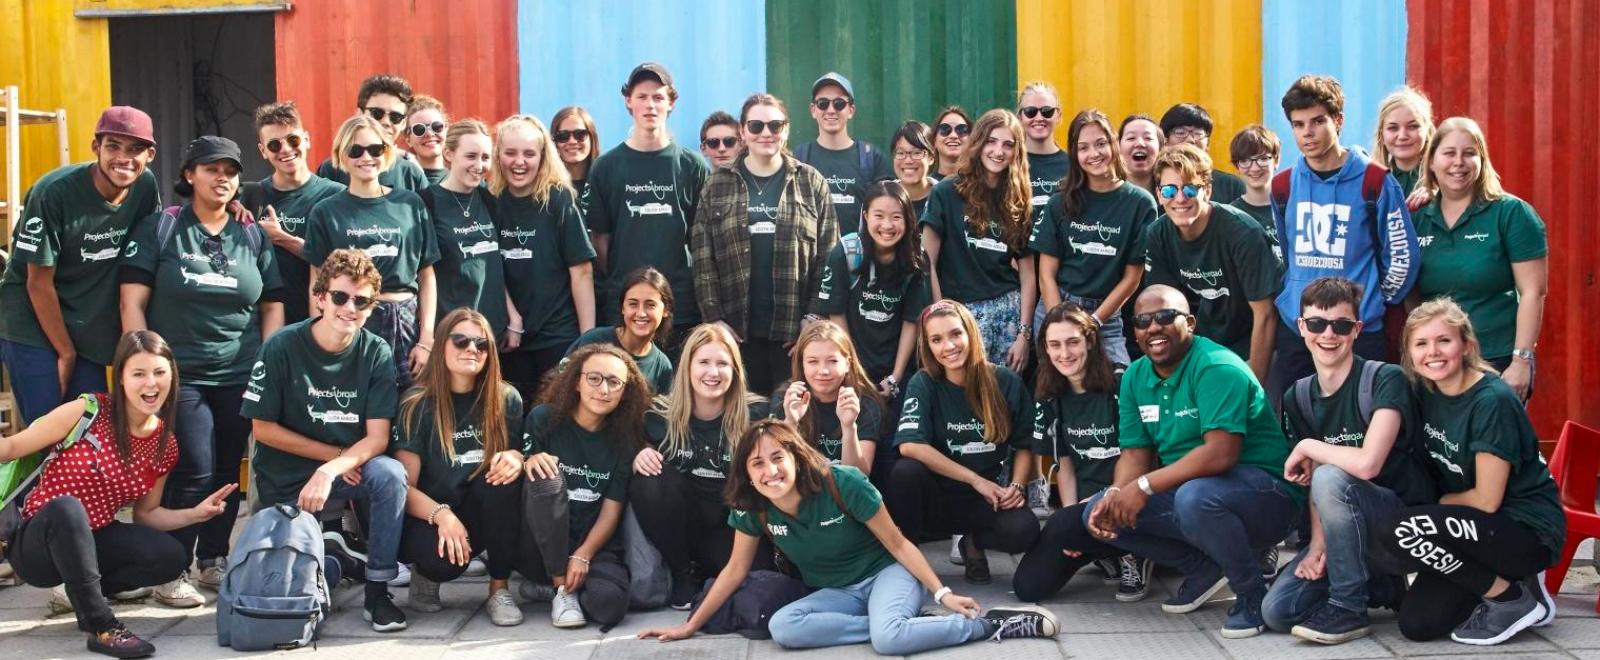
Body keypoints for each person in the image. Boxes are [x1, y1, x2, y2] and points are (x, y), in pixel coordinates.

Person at [637, 420, 1060, 652]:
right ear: (746, 473)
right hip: (838, 592)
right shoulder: (754, 507)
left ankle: (988, 627)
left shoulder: (841, 483)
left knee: (890, 641)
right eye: (757, 464)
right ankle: (893, 623)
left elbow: (898, 543)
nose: (770, 472)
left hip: (886, 575)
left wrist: (942, 594)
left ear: (796, 457)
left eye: (777, 458)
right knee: (785, 628)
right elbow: (733, 570)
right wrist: (690, 627)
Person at [1083, 285, 1302, 638]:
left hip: (1268, 496)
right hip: (1198, 494)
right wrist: (1115, 490)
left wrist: (1144, 486)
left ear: (1190, 322)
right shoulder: (1136, 377)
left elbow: (1221, 453)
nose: (1153, 327)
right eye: (1142, 321)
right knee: (1099, 510)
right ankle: (1203, 568)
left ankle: (1251, 595)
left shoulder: (1216, 366)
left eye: (1165, 317)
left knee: (1195, 498)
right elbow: (1135, 454)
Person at [1, 331, 236, 658]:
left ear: (172, 376)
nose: (150, 383)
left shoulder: (164, 444)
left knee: (171, 557)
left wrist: (196, 514)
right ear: (121, 378)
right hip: (37, 544)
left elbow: (147, 514)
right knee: (68, 509)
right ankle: (102, 626)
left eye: (159, 372)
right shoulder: (88, 411)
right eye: (138, 373)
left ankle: (83, 591)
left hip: (93, 539)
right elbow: (12, 446)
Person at [118, 135, 284, 599]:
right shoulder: (162, 228)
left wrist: (266, 359)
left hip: (240, 370)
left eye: (230, 171)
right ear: (189, 175)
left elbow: (272, 303)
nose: (222, 178)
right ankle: (170, 568)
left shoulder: (249, 233)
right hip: (179, 372)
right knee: (193, 464)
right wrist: (143, 364)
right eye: (211, 169)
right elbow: (132, 300)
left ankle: (213, 557)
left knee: (231, 466)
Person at [1373, 298, 1562, 645]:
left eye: (1444, 340)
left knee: (1396, 529)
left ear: (1466, 345)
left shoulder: (1492, 400)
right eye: (1421, 343)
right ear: (1410, 354)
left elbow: (1487, 500)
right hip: (1472, 528)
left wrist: (1434, 505)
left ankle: (1510, 598)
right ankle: (1517, 586)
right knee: (1418, 624)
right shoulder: (1425, 391)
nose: (1434, 352)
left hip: (1522, 528)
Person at [240, 248, 409, 632]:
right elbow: (262, 430)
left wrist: (333, 468)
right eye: (340, 296)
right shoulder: (281, 346)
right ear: (320, 297)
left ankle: (378, 591)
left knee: (390, 474)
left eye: (362, 301)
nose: (350, 307)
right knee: (286, 593)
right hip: (288, 478)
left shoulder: (375, 351)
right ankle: (335, 558)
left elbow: (378, 437)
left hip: (344, 471)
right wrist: (330, 461)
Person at [1261, 277, 1436, 644]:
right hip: (1345, 535)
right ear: (1301, 327)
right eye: (1317, 324)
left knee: (1333, 477)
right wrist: (1319, 546)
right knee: (1278, 611)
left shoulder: (1385, 378)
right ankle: (1380, 587)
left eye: (1341, 325)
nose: (1329, 334)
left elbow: (1368, 464)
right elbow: (1314, 483)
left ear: (1357, 330)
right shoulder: (1299, 395)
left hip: (1402, 528)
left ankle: (1348, 607)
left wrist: (1310, 446)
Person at [0, 106, 160, 425]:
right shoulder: (53, 193)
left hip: (86, 322)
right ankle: (30, 477)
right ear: (96, 147)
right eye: (113, 146)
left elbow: (151, 247)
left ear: (150, 154)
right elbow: (37, 283)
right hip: (33, 318)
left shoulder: (144, 187)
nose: (124, 158)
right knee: (49, 430)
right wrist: (66, 352)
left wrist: (233, 205)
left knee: (92, 428)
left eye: (135, 149)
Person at [1269, 74, 1420, 393]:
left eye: (1317, 121)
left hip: (1357, 331)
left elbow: (1402, 257)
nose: (1307, 133)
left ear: (1338, 121)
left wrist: (1373, 300)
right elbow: (1288, 252)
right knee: (1297, 427)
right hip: (1300, 331)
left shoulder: (1375, 181)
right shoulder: (1282, 186)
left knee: (1363, 426)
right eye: (1298, 124)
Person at [693, 92, 838, 394]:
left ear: (786, 129)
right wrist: (715, 320)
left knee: (793, 421)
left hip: (794, 336)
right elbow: (703, 259)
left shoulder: (811, 182)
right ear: (743, 132)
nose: (766, 133)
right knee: (744, 421)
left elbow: (829, 255)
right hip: (736, 336)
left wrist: (812, 319)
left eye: (775, 125)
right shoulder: (717, 185)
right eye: (756, 126)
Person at [1013, 303, 1155, 603]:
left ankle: (1134, 553)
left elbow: (1145, 455)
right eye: (1055, 345)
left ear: (1090, 341)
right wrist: (1073, 520)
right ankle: (1104, 550)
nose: (1064, 353)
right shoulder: (1048, 393)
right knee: (1029, 587)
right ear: (1045, 350)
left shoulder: (1122, 382)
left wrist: (1106, 498)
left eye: (1073, 342)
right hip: (1086, 503)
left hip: (1131, 496)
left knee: (1068, 524)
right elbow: (1063, 462)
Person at [888, 300, 1037, 584]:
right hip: (936, 499)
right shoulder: (925, 382)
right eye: (937, 339)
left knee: (1024, 530)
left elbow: (1025, 443)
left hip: (985, 499)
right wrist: (974, 479)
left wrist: (1016, 486)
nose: (949, 346)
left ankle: (973, 542)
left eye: (956, 334)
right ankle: (908, 563)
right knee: (905, 472)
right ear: (928, 346)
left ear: (970, 333)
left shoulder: (1005, 381)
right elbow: (910, 445)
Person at [393, 308, 525, 625]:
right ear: (442, 345)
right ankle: (425, 576)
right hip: (428, 516)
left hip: (477, 510)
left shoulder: (506, 398)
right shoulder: (416, 404)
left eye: (481, 345)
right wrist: (442, 516)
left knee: (504, 477)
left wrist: (516, 458)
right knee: (443, 563)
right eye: (461, 340)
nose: (471, 349)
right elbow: (403, 488)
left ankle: (498, 590)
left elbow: (521, 453)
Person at [631, 323, 768, 608]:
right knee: (649, 479)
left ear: (735, 370)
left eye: (722, 363)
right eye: (704, 362)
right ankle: (683, 572)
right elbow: (629, 452)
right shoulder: (658, 415)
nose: (713, 372)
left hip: (731, 523)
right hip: (682, 523)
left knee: (757, 577)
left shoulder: (756, 414)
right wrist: (639, 453)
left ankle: (714, 573)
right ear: (687, 367)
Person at [302, 114, 441, 392]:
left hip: (405, 322)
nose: (367, 157)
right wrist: (324, 336)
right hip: (350, 318)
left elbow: (426, 275)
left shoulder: (410, 204)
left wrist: (426, 339)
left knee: (411, 411)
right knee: (357, 407)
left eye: (375, 149)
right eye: (356, 150)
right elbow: (316, 283)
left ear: (387, 152)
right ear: (342, 156)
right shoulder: (325, 212)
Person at [1413, 117, 1546, 402]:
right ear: (1432, 162)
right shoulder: (1417, 218)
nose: (1458, 162)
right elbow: (1408, 293)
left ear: (1482, 160)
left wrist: (1522, 361)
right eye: (1449, 153)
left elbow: (1533, 291)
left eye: (1469, 153)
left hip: (1496, 359)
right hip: (1436, 363)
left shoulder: (1511, 213)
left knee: (1493, 444)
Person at [521, 343, 650, 630]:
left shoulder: (625, 439)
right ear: (577, 381)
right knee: (545, 475)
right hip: (541, 545)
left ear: (625, 391)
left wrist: (583, 554)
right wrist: (529, 459)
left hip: (591, 545)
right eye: (594, 378)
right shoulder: (543, 419)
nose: (603, 389)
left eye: (614, 382)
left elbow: (611, 511)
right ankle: (561, 590)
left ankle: (562, 588)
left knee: (611, 606)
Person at [588, 62, 707, 344]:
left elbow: (700, 239)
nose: (650, 105)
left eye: (658, 97)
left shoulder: (691, 165)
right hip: (625, 307)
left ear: (671, 103)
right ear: (628, 101)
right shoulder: (605, 167)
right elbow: (600, 242)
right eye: (642, 97)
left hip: (679, 308)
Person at [1142, 144, 1281, 383]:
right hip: (1204, 348)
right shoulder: (1158, 233)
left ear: (1206, 190)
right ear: (1158, 194)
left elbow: (1266, 314)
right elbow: (1166, 312)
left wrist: (1253, 386)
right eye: (1169, 191)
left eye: (1190, 189)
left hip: (1253, 344)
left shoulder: (1242, 232)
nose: (1179, 199)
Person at [1029, 109, 1156, 368]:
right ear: (1075, 155)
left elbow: (1132, 277)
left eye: (1101, 144)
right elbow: (1046, 274)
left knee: (1115, 384)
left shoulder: (1140, 204)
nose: (1094, 154)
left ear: (1114, 144)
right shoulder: (1059, 201)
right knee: (1057, 388)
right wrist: (1059, 322)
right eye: (1083, 147)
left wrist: (1094, 322)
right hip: (1057, 304)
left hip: (1105, 313)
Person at [921, 109, 1036, 370]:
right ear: (978, 143)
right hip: (961, 314)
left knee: (1004, 399)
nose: (999, 151)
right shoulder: (946, 192)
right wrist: (940, 315)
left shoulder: (1018, 200)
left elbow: (1028, 274)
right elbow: (927, 261)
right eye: (991, 141)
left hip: (1009, 311)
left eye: (1008, 145)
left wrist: (1024, 334)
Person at [491, 114, 596, 398]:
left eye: (528, 153)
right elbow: (489, 268)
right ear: (498, 154)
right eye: (510, 153)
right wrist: (511, 318)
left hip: (558, 335)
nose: (519, 162)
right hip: (511, 339)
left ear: (542, 156)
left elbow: (581, 271)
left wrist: (586, 342)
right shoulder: (491, 201)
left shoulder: (558, 200)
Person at [813, 181, 930, 401]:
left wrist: (895, 377)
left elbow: (911, 321)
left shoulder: (916, 259)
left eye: (896, 217)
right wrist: (853, 369)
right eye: (879, 216)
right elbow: (836, 315)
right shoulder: (846, 253)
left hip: (899, 368)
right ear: (865, 216)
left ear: (908, 219)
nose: (887, 225)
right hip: (852, 367)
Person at [249, 101, 346, 327]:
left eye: (292, 140)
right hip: (269, 325)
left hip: (323, 323)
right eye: (274, 145)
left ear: (306, 140)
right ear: (263, 151)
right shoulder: (252, 195)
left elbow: (344, 264)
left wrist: (283, 239)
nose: (285, 149)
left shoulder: (335, 195)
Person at [419, 119, 517, 342]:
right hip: (451, 333)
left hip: (493, 332)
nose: (479, 165)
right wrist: (426, 334)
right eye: (471, 156)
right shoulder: (427, 201)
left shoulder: (488, 200)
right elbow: (424, 273)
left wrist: (513, 316)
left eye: (485, 157)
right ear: (448, 154)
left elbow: (496, 267)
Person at [775, 320, 886, 474]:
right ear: (802, 364)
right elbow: (775, 470)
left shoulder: (864, 403)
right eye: (813, 361)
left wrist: (848, 427)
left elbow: (859, 476)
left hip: (845, 492)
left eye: (833, 361)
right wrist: (791, 422)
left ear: (848, 364)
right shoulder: (787, 398)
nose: (823, 371)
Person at [793, 72, 893, 232]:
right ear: (813, 110)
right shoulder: (799, 158)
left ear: (851, 110)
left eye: (839, 103)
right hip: (813, 256)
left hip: (860, 255)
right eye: (823, 103)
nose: (831, 110)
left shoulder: (872, 158)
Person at [567, 266, 676, 394]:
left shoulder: (662, 366)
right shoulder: (593, 341)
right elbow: (561, 389)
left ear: (666, 310)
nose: (641, 313)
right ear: (622, 308)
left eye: (650, 305)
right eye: (633, 304)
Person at [315, 74, 430, 191]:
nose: (385, 122)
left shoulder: (411, 175)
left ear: (404, 123)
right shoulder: (332, 169)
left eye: (395, 117)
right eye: (377, 113)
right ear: (359, 113)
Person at [1159, 103, 1245, 202]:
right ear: (1165, 141)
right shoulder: (1155, 181)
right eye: (1180, 133)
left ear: (1207, 143)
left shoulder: (1231, 186)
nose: (1190, 140)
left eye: (1198, 133)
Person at [1226, 124, 1285, 264]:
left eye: (1263, 159)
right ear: (1237, 166)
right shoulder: (1230, 216)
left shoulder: (1293, 207)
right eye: (1245, 161)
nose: (1254, 168)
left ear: (1276, 160)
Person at [1372, 86, 1436, 199]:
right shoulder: (1369, 182)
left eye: (1413, 126)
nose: (1402, 136)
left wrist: (1438, 197)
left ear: (1427, 130)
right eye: (1393, 128)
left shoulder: (1445, 178)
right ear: (1381, 134)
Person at [1017, 82, 1068, 219]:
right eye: (1030, 112)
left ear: (1058, 115)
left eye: (1047, 111)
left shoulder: (1074, 165)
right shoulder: (1009, 163)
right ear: (1020, 117)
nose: (1039, 118)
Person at [551, 106, 600, 215]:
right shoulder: (545, 189)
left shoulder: (606, 182)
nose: (572, 141)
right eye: (563, 136)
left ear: (592, 139)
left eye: (580, 134)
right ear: (554, 142)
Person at [889, 121, 937, 214]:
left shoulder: (946, 198)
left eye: (917, 153)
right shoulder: (879, 198)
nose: (908, 161)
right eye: (900, 153)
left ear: (931, 157)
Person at [403, 95, 449, 185]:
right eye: (419, 129)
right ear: (408, 140)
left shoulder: (464, 180)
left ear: (446, 130)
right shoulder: (401, 181)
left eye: (437, 126)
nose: (429, 134)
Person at [1118, 113, 1162, 196]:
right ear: (1118, 147)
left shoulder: (1172, 194)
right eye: (1131, 138)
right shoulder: (1108, 195)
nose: (1139, 143)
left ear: (1160, 148)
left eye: (1148, 138)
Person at [931, 106, 971, 181]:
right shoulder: (925, 187)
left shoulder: (980, 186)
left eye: (962, 129)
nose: (953, 136)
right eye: (945, 129)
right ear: (934, 141)